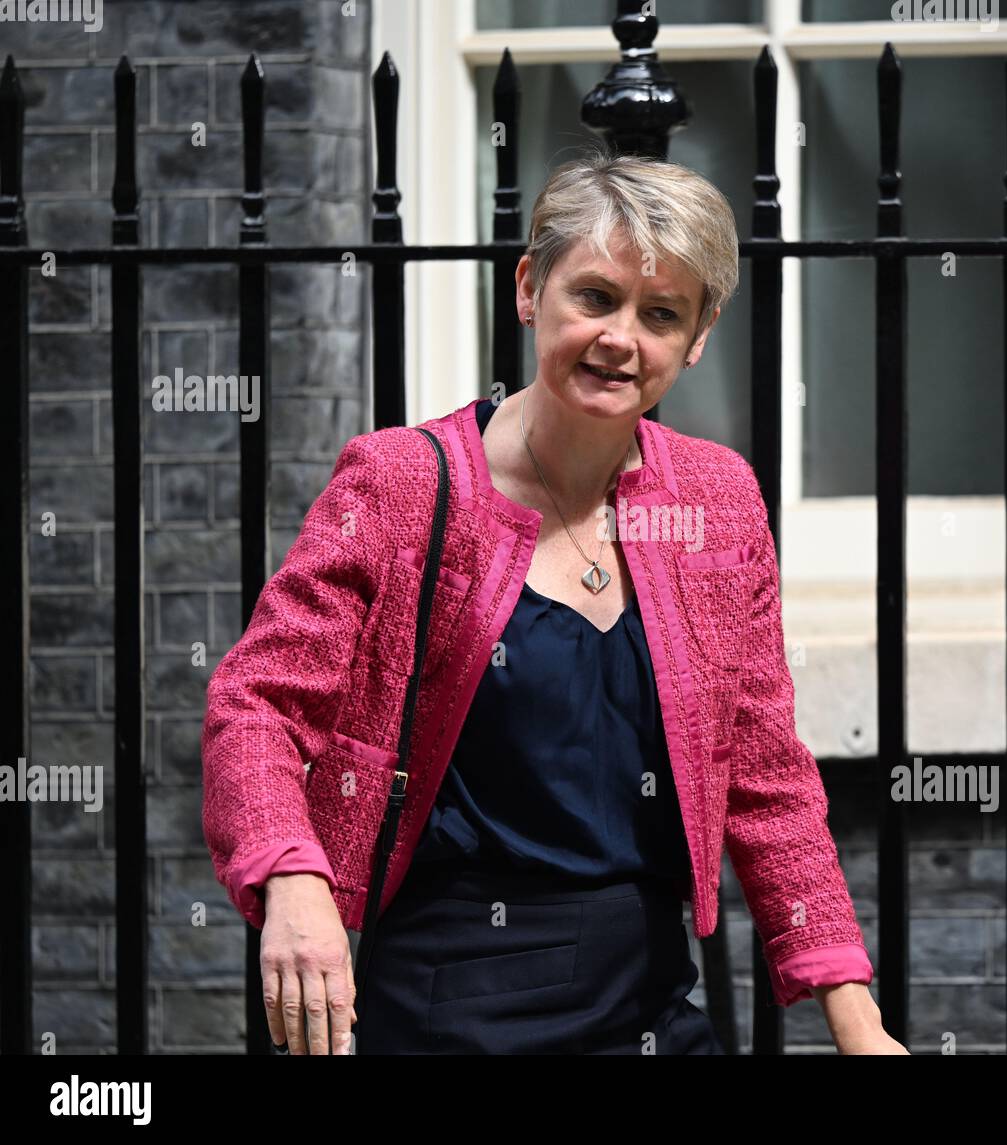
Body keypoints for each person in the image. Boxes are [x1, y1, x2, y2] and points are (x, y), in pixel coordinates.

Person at [201, 146, 908, 1055]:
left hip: (649, 1001)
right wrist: (294, 884)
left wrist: (859, 1021)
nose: (622, 338)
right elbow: (255, 704)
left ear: (697, 337)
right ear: (532, 287)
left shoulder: (715, 500)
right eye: (596, 297)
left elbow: (766, 775)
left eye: (661, 314)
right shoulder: (405, 485)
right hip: (445, 1005)